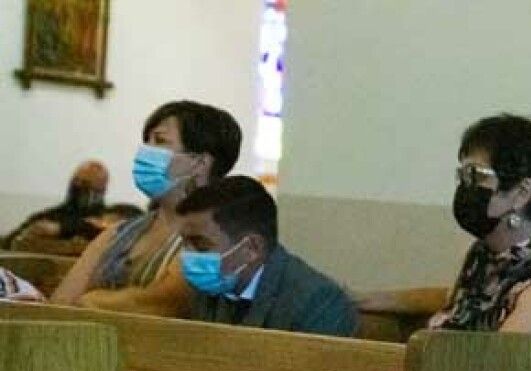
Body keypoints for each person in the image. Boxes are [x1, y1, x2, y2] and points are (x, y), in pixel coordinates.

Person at [51, 101, 242, 316]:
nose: (145, 151)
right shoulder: (118, 233)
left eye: (159, 141)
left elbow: (162, 302)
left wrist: (89, 300)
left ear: (199, 164)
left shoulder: (223, 237)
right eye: (147, 141)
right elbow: (61, 303)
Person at [429, 113, 531, 336]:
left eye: (476, 176)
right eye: (462, 176)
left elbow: (494, 366)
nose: (465, 187)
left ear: (521, 193)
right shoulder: (485, 255)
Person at [175, 175, 358, 335]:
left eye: (200, 244)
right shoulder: (205, 289)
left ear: (252, 248)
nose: (187, 255)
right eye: (184, 243)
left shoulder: (318, 303)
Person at [1, 160, 141, 252]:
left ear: (102, 188)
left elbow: (130, 223)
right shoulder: (48, 217)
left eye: (87, 184)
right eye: (77, 181)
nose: (80, 187)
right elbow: (10, 242)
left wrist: (61, 229)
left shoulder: (116, 214)